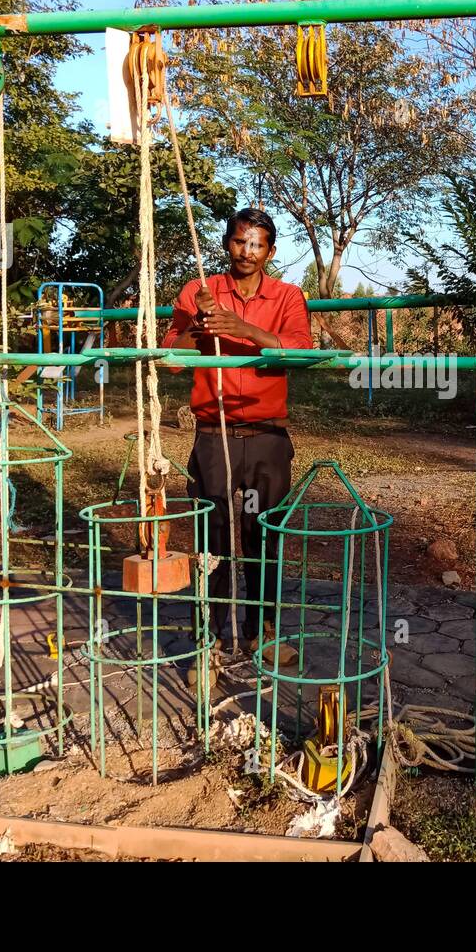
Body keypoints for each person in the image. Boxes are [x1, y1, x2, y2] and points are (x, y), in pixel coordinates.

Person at [160, 208, 313, 649]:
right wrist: (199, 325)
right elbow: (171, 358)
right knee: (212, 542)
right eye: (240, 241)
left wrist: (245, 330)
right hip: (214, 436)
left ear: (270, 251)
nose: (247, 251)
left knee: (264, 536)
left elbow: (301, 350)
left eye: (257, 244)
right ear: (227, 243)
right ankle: (208, 640)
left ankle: (262, 634)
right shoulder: (199, 292)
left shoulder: (287, 296)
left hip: (267, 438)